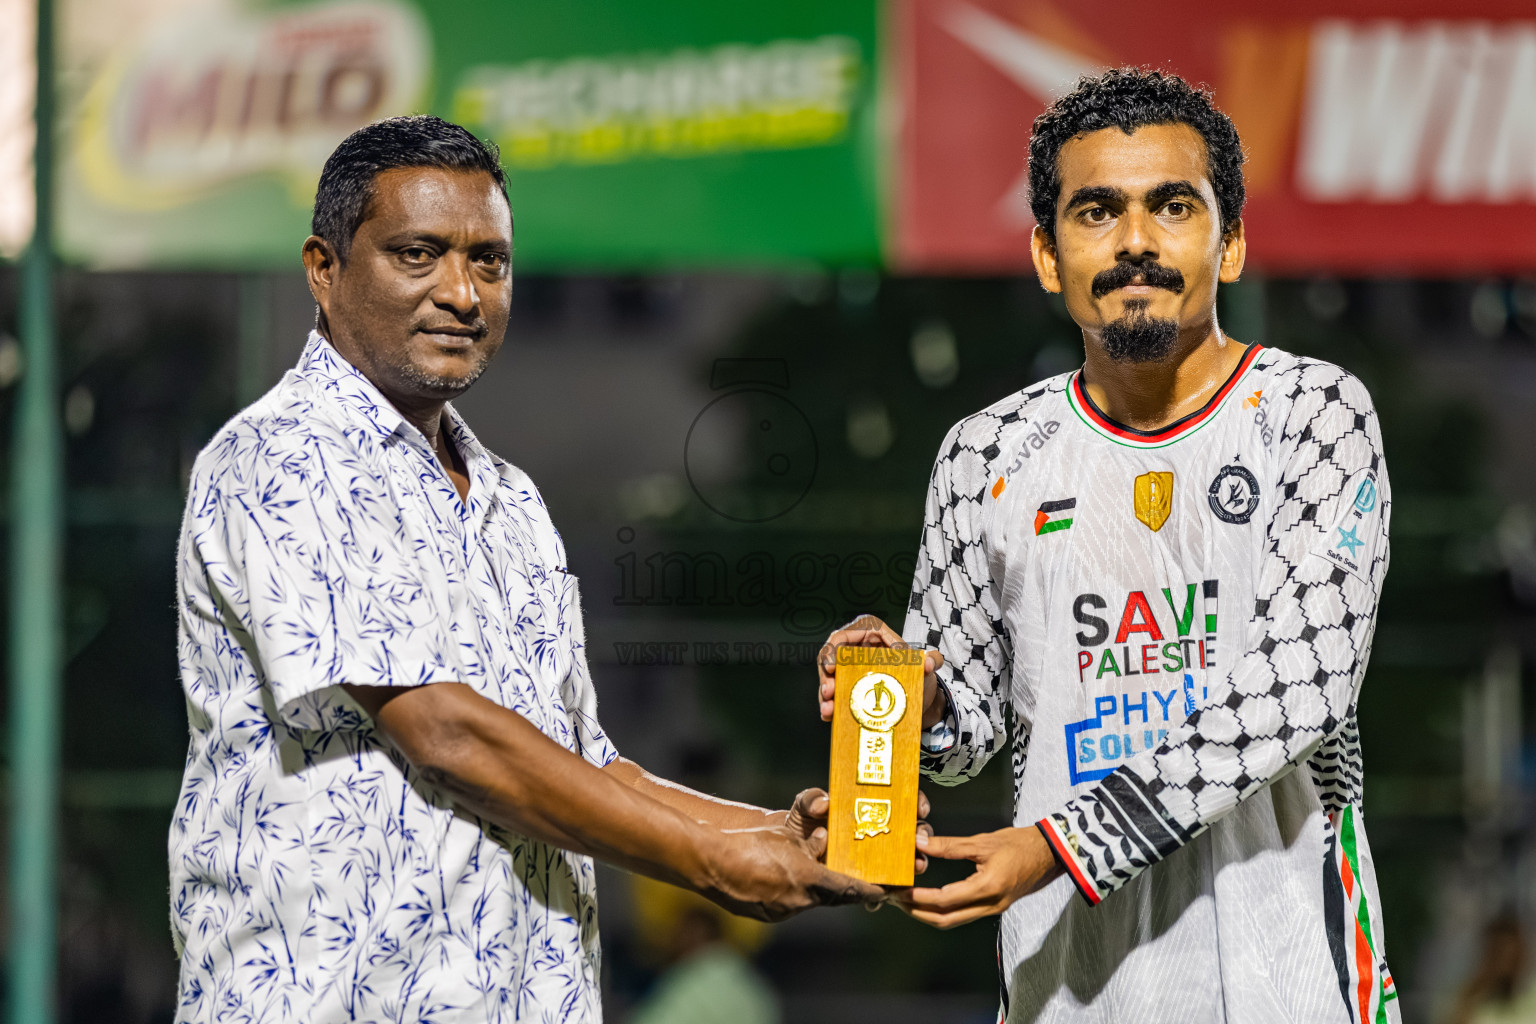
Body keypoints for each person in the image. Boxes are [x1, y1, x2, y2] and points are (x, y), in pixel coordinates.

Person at [168, 115, 883, 1023]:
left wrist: (773, 833)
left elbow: (592, 767)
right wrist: (708, 864)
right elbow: (445, 733)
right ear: (324, 268)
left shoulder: (511, 502)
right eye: (418, 254)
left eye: (490, 262)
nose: (462, 292)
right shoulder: (280, 457)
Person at [817, 68, 1399, 1022]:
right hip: (1070, 987)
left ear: (1234, 242)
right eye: (1097, 212)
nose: (1135, 241)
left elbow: (1303, 688)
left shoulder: (1313, 414)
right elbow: (964, 741)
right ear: (1048, 255)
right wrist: (900, 696)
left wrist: (1058, 845)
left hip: (1289, 974)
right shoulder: (987, 454)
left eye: (1173, 205)